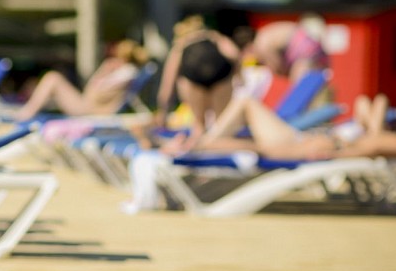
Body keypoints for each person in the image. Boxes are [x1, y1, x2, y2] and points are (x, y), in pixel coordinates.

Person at [168, 93, 396, 160]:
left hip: (300, 145)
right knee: (246, 111)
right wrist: (374, 127)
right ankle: (201, 144)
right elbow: (372, 101)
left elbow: (260, 150)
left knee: (253, 138)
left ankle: (201, 144)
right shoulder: (366, 135)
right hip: (302, 141)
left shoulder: (364, 142)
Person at [14, 39, 150, 121]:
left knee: (52, 78)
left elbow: (93, 93)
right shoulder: (126, 74)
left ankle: (27, 113)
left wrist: (103, 72)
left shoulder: (126, 74)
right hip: (90, 107)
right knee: (46, 80)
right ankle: (28, 110)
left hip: (90, 110)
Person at [155, 15, 241, 145]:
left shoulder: (182, 43)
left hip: (193, 79)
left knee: (199, 125)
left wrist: (163, 110)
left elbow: (169, 81)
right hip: (221, 76)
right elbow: (234, 54)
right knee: (221, 123)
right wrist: (237, 75)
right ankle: (220, 146)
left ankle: (197, 147)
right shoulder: (213, 37)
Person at [252, 13, 329, 84]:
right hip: (308, 42)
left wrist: (286, 73)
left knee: (299, 88)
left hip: (302, 49)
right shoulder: (265, 33)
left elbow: (277, 67)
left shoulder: (260, 45)